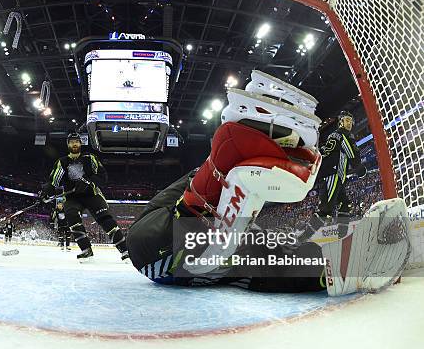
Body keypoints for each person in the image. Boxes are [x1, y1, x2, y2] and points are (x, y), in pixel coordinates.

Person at [125, 71, 410, 296]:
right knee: (261, 253)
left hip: (155, 241)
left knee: (218, 199)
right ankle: (335, 266)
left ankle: (219, 175)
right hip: (163, 252)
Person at [41, 133, 129, 262]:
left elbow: (102, 176)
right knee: (71, 216)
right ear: (68, 144)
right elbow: (53, 182)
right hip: (72, 198)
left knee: (106, 220)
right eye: (72, 142)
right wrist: (46, 192)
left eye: (77, 141)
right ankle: (86, 250)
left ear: (81, 143)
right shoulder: (62, 162)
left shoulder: (90, 158)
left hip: (92, 194)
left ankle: (125, 250)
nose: (74, 144)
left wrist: (89, 182)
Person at [299, 110, 367, 240]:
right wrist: (359, 168)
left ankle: (342, 236)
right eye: (347, 120)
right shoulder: (343, 134)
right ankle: (303, 238)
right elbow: (352, 153)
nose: (350, 124)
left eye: (351, 121)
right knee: (326, 210)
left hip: (337, 176)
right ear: (340, 121)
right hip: (333, 174)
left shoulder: (334, 135)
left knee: (345, 204)